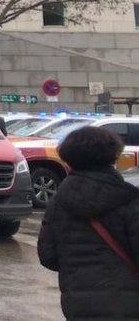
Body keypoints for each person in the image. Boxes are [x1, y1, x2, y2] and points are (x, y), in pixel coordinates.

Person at [38, 126, 139, 319]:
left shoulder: (58, 202)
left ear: (69, 160)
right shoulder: (128, 198)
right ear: (113, 158)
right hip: (129, 303)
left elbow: (48, 255)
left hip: (78, 305)